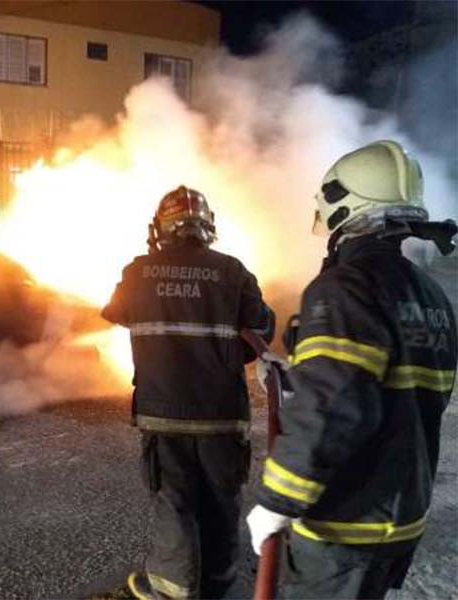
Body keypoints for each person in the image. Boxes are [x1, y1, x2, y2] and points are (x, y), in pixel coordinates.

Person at [247, 140, 457, 599]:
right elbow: (389, 393)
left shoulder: (345, 287)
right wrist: (291, 378)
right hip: (400, 520)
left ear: (345, 209)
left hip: (346, 524)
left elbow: (334, 403)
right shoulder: (432, 297)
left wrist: (277, 500)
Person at [102, 186, 275, 600]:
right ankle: (220, 585)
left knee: (174, 504)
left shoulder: (137, 272)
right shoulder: (233, 271)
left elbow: (116, 313)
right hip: (222, 417)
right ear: (208, 228)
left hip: (163, 416)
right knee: (222, 505)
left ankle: (171, 589)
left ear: (160, 229)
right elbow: (262, 331)